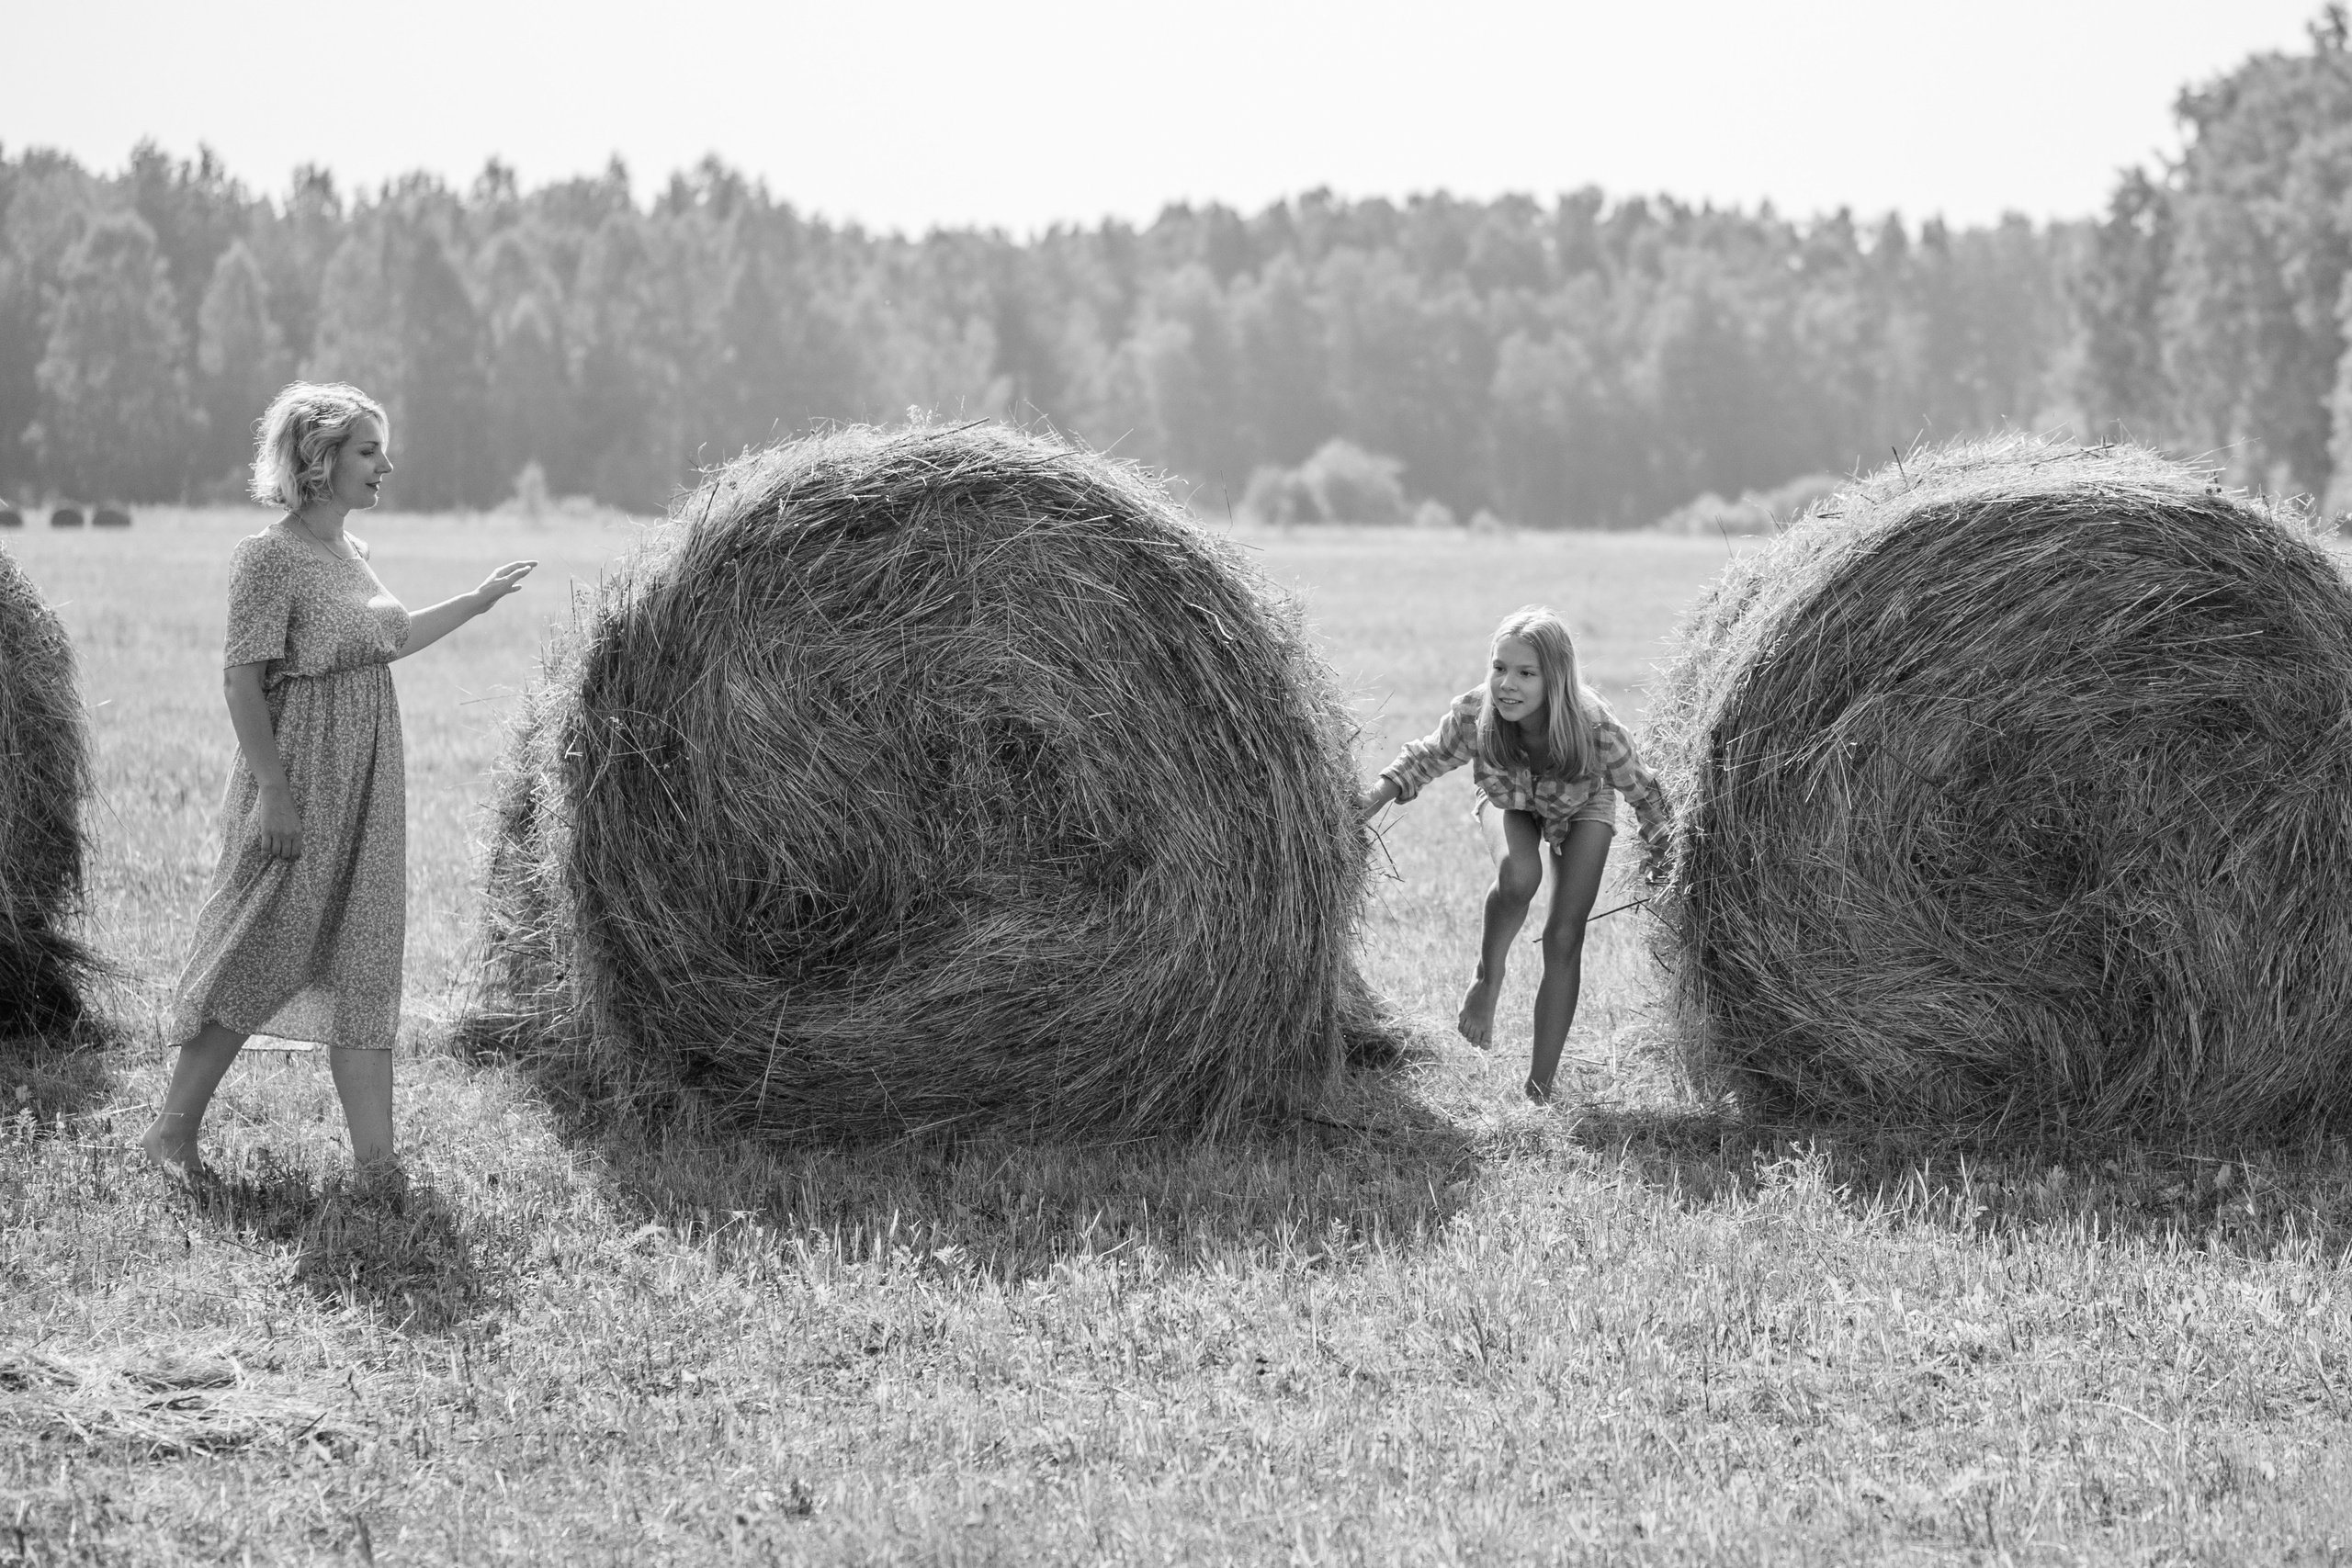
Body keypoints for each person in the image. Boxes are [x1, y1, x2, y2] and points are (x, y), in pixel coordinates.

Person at [139, 382, 537, 1184]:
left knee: (365, 955)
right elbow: (240, 684)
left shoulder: (352, 554)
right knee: (254, 948)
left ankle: (376, 1164)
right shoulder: (268, 556)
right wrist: (275, 794)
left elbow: (385, 641)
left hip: (370, 783)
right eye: (368, 450)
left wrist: (476, 600)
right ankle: (169, 1135)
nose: (385, 464)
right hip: (302, 776)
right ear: (316, 460)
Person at [1359, 606, 1671, 1103]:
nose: (1508, 684)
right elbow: (1426, 756)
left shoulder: (1597, 730)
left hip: (1582, 802)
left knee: (1564, 935)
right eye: (1499, 667)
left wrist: (1665, 858)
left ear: (1556, 679)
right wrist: (1366, 803)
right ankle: (1488, 976)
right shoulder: (1476, 713)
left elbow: (1647, 795)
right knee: (1519, 874)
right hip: (1508, 798)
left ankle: (1539, 1089)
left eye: (1526, 673)